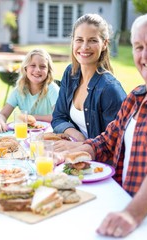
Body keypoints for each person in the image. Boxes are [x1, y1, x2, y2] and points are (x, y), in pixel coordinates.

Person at [65, 12, 147, 238]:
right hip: (122, 200)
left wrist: (131, 214)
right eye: (138, 47)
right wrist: (76, 151)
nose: (146, 55)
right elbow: (108, 139)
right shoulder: (137, 96)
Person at [51, 14, 126, 151]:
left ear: (104, 44)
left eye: (92, 40)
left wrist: (81, 145)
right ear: (73, 41)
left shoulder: (110, 89)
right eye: (79, 40)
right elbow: (58, 117)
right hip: (75, 153)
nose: (84, 47)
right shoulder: (71, 73)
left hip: (100, 166)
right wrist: (78, 136)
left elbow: (115, 143)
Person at [0, 48, 59, 132]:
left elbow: (57, 116)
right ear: (25, 69)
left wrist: (34, 117)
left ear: (48, 71)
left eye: (42, 67)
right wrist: (0, 121)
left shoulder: (52, 89)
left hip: (49, 133)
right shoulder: (19, 90)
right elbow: (3, 114)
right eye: (33, 65)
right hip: (26, 134)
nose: (37, 70)